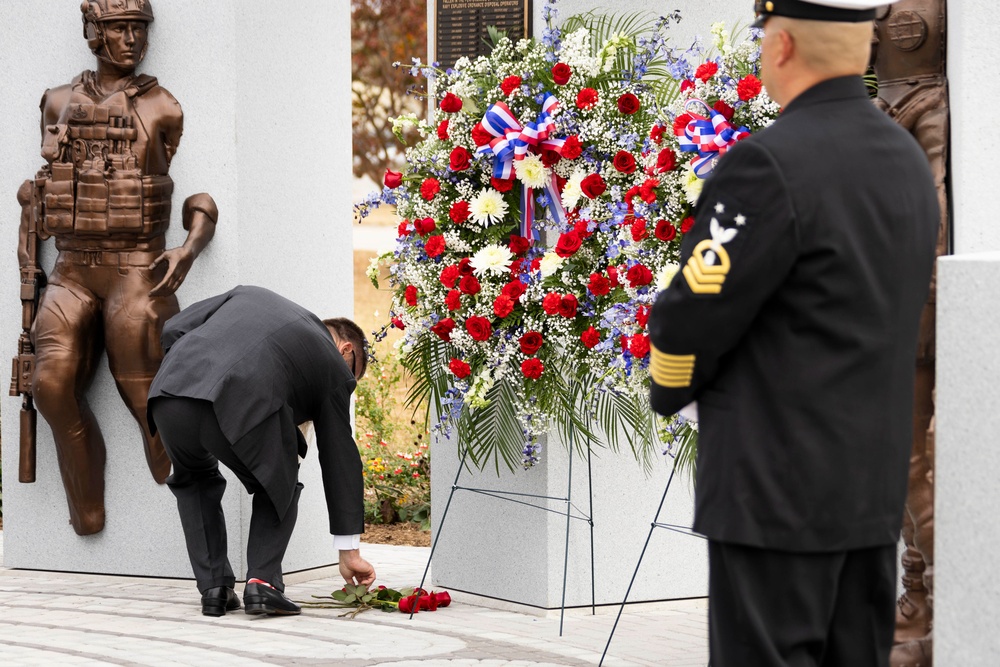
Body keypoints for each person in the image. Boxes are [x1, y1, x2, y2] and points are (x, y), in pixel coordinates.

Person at [647, 1, 938, 665]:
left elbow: (691, 312)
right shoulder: (908, 163)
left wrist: (670, 385)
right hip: (869, 500)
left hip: (774, 499)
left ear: (780, 46)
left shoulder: (768, 165)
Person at [20, 0, 217, 535]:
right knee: (50, 384)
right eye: (119, 29)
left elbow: (196, 200)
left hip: (136, 266)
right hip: (72, 270)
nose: (132, 40)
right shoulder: (57, 102)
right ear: (93, 32)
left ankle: (176, 461)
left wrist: (187, 248)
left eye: (139, 29)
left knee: (146, 391)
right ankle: (86, 506)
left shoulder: (164, 107)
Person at [147, 285, 375, 616]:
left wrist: (194, 373)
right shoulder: (333, 365)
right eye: (351, 377)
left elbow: (172, 327)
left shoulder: (248, 295)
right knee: (277, 482)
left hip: (170, 392)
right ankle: (263, 584)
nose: (346, 386)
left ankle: (214, 588)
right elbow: (340, 459)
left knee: (194, 479)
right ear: (345, 349)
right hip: (237, 398)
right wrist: (349, 551)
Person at [873, 2, 948, 663]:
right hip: (894, 303)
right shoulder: (887, 108)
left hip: (921, 304)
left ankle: (934, 604)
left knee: (919, 462)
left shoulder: (931, 109)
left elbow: (936, 204)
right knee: (906, 461)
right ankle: (917, 598)